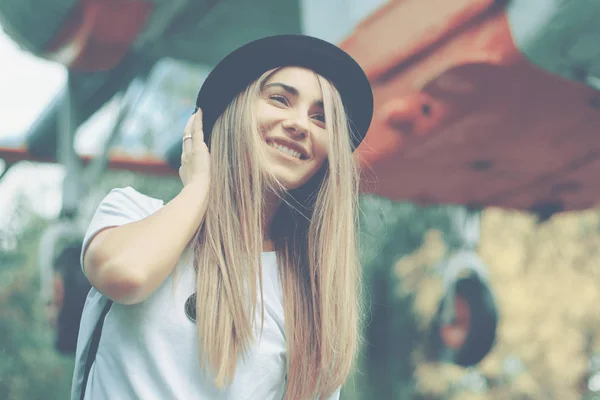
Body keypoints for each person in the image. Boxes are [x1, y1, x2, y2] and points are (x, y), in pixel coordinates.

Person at [73, 34, 373, 400]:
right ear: (234, 113)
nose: (300, 125)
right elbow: (125, 274)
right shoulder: (132, 212)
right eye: (280, 99)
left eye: (321, 118)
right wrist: (199, 186)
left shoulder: (313, 296)